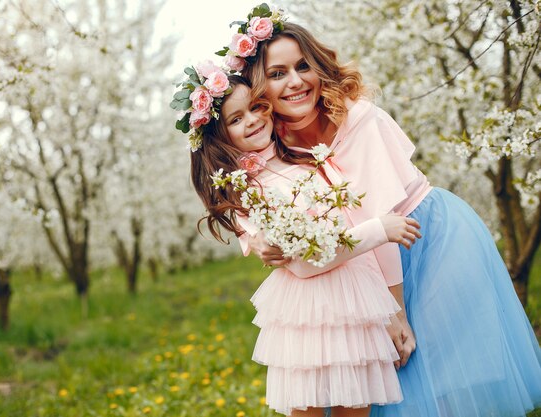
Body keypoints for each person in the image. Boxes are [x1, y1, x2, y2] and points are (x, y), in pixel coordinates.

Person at [224, 9, 541, 417]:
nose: (296, 81)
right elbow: (263, 195)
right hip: (360, 254)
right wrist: (261, 239)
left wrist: (393, 313)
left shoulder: (357, 119)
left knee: (422, 364)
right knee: (379, 372)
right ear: (257, 87)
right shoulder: (272, 135)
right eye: (278, 73)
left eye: (304, 66)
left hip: (422, 236)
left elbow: (381, 217)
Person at [186, 73, 422, 416]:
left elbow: (350, 220)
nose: (252, 120)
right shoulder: (248, 190)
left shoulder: (303, 155)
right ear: (219, 136)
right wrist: (379, 230)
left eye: (256, 107)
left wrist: (386, 309)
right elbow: (304, 262)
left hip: (356, 301)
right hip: (307, 314)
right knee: (306, 410)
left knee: (355, 407)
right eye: (236, 119)